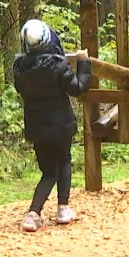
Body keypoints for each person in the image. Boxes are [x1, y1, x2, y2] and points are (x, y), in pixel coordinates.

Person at [13, 19, 91, 232]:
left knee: (48, 171)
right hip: (61, 125)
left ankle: (33, 213)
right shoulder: (57, 65)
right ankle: (63, 209)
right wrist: (84, 62)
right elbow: (78, 87)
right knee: (64, 161)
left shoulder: (20, 67)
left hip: (36, 127)